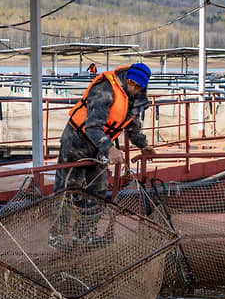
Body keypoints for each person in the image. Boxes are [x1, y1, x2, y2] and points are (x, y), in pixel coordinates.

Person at [49, 63, 155, 250]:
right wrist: (110, 149)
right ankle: (56, 236)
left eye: (138, 86)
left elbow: (132, 125)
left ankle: (84, 236)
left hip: (99, 148)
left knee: (97, 191)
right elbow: (92, 127)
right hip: (77, 142)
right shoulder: (106, 89)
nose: (133, 88)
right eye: (131, 83)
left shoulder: (134, 97)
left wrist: (144, 145)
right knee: (67, 189)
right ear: (127, 78)